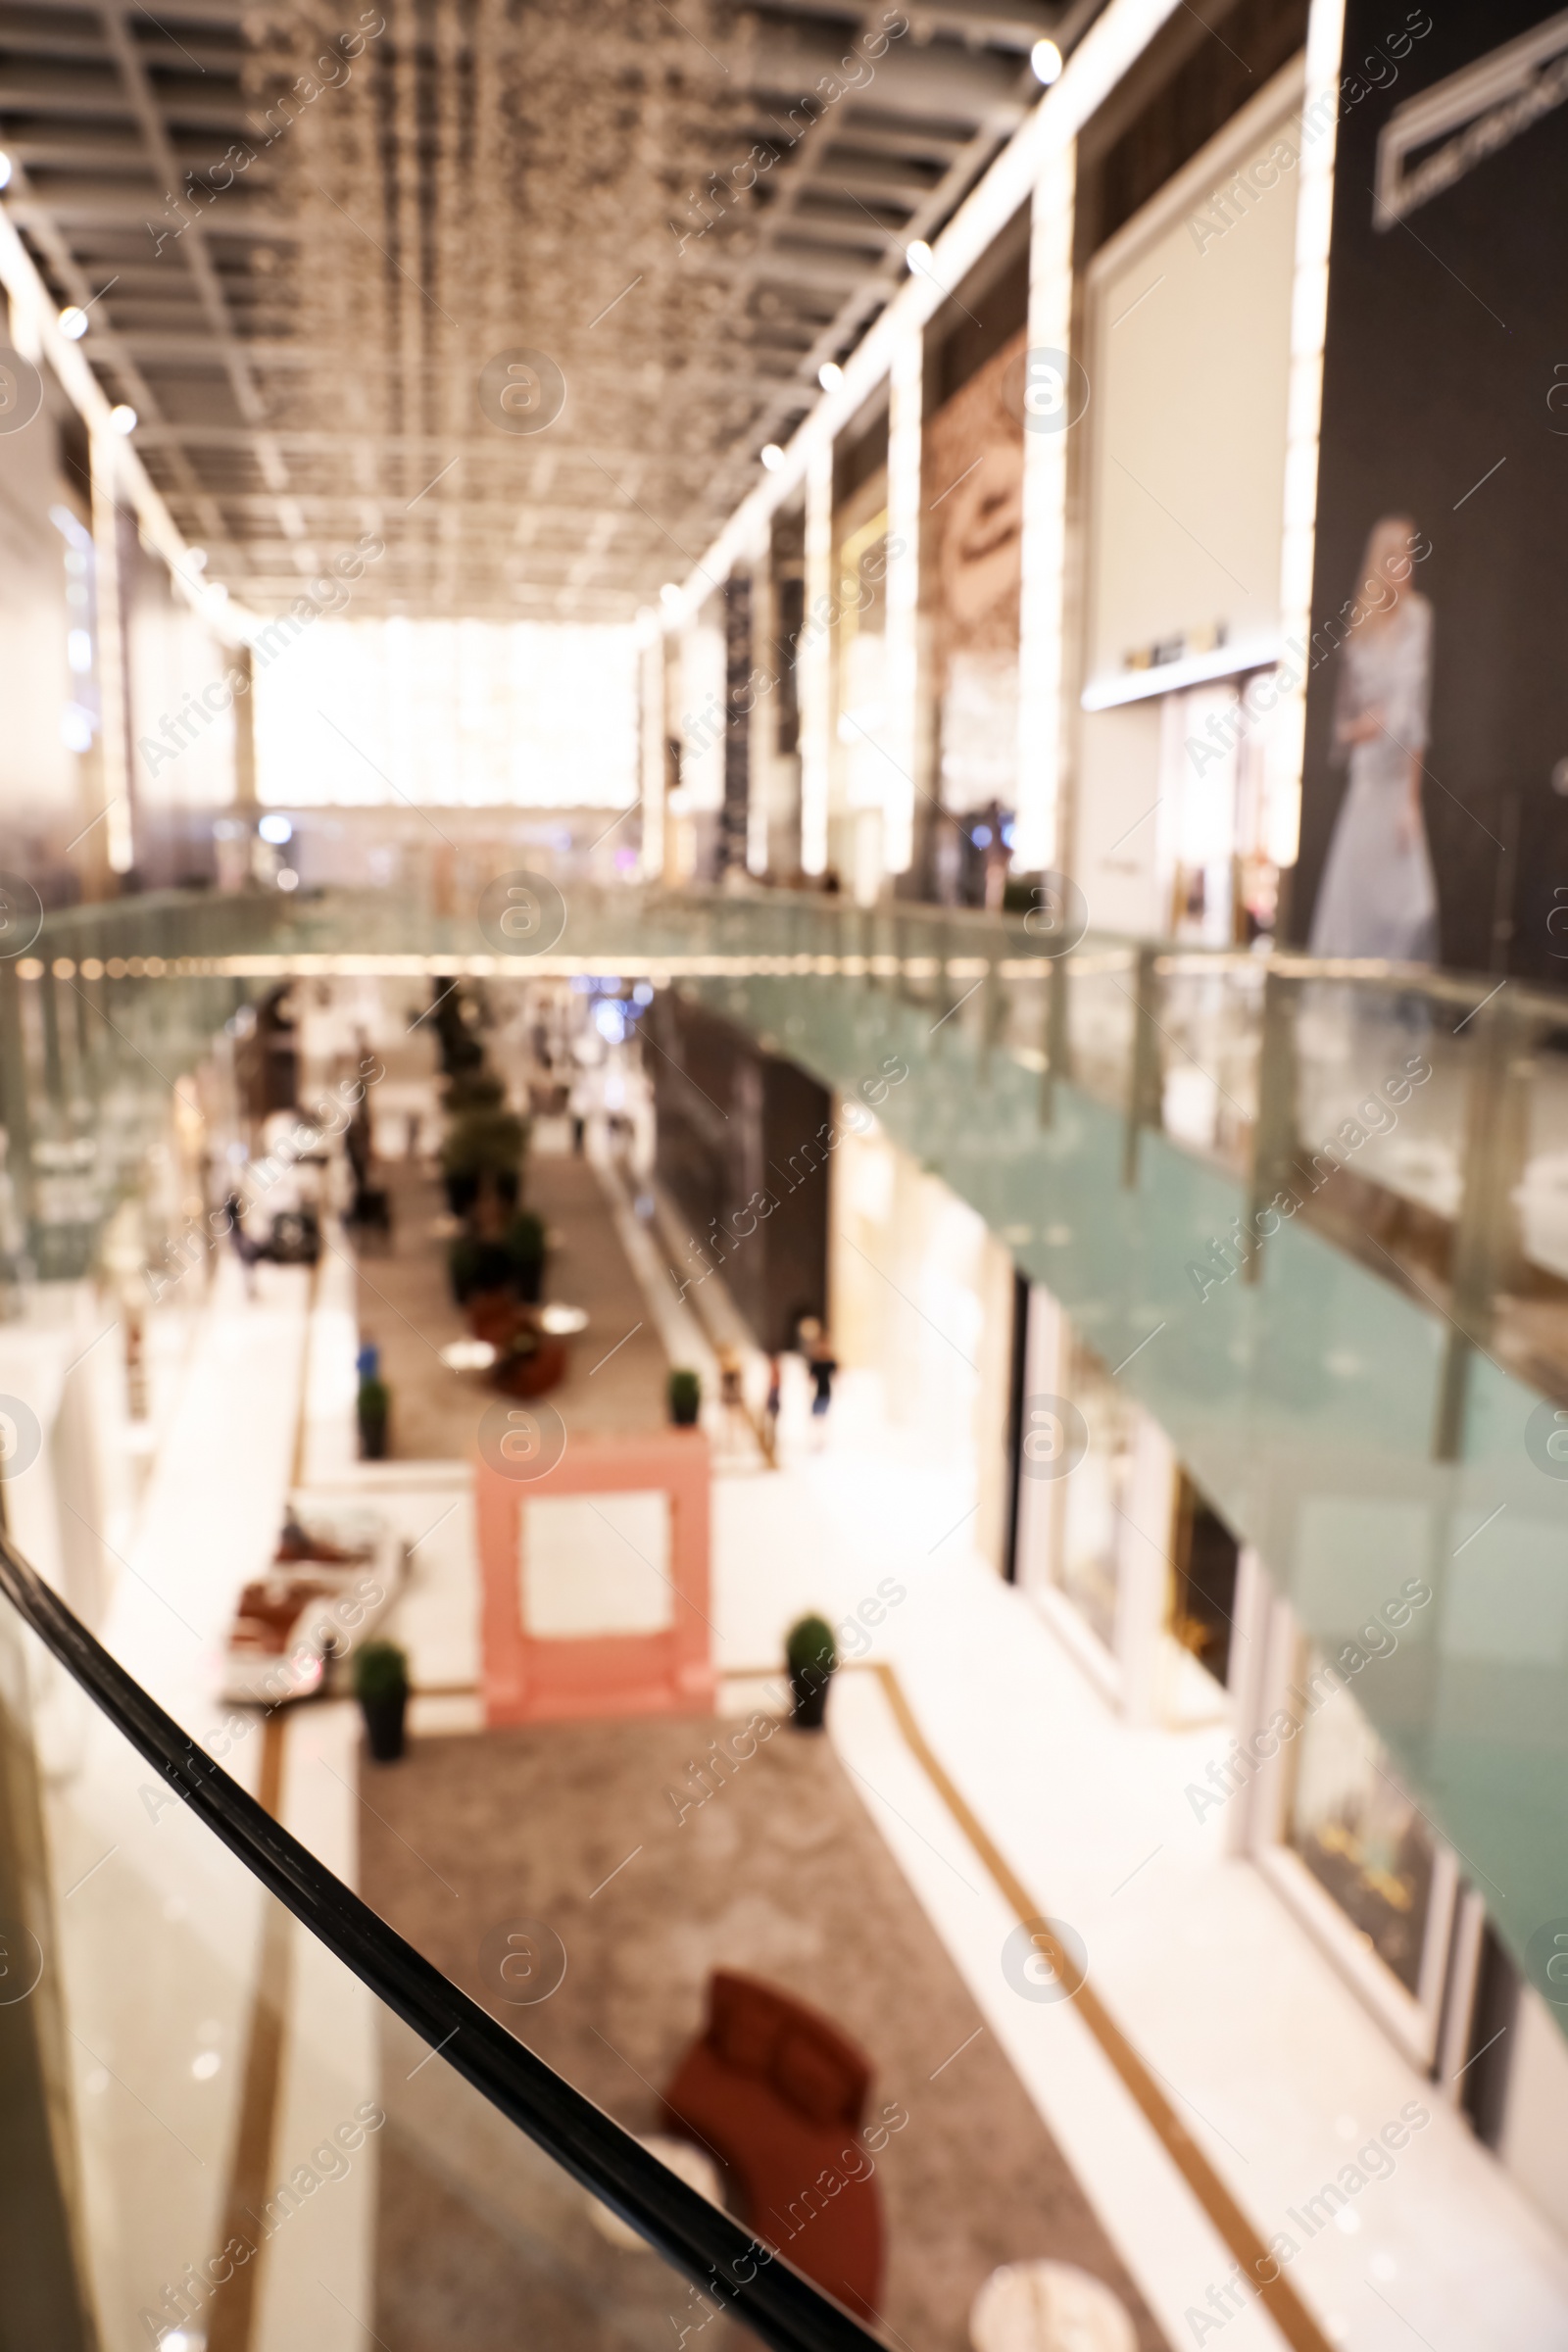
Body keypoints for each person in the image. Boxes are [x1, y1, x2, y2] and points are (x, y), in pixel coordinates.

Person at [1309, 515, 1439, 963]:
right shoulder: (1360, 628)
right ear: (1381, 562)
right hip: (1366, 785)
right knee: (1354, 916)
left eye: (1409, 555)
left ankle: (1392, 1016)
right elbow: (1342, 729)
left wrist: (1411, 800)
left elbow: (1415, 718)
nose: (1405, 565)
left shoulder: (1418, 618)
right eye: (1397, 555)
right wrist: (1366, 726)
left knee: (1413, 909)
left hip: (1395, 786)